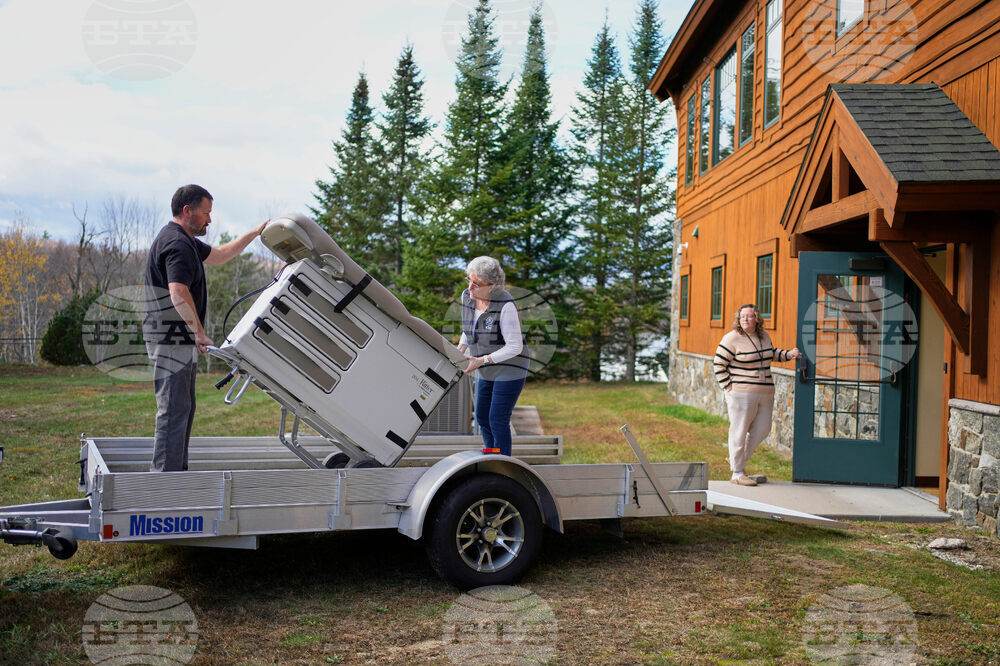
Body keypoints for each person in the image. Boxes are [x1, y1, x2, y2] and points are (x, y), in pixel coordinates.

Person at [144, 184, 267, 472]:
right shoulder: (177, 244)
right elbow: (177, 292)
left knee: (184, 409)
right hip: (171, 339)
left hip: (176, 340)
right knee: (174, 410)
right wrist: (198, 332)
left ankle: (175, 473)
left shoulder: (184, 240)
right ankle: (164, 481)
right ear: (187, 212)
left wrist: (256, 232)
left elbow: (222, 255)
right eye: (206, 213)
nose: (210, 220)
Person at [714, 304, 800, 486]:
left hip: (765, 391)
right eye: (742, 316)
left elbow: (771, 354)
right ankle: (737, 473)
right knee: (739, 429)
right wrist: (729, 387)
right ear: (738, 319)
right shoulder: (731, 338)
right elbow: (718, 364)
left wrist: (789, 354)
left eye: (749, 316)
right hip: (741, 394)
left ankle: (736, 459)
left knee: (763, 429)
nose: (745, 319)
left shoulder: (763, 336)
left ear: (757, 319)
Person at [457, 256, 530, 457]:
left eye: (476, 284)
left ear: (492, 286)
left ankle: (503, 463)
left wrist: (481, 361)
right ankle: (491, 455)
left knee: (497, 418)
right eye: (468, 280)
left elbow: (514, 346)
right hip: (486, 364)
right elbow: (468, 328)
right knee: (482, 417)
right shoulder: (468, 297)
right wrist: (459, 351)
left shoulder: (505, 305)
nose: (470, 287)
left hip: (510, 366)